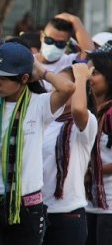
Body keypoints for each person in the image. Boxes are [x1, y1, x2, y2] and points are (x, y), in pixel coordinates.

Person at [0, 42, 75, 245]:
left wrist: (41, 70)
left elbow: (68, 87)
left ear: (24, 79)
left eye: (3, 77)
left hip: (26, 208)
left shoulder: (39, 104)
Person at [41, 64, 97, 245]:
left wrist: (81, 77)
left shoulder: (83, 124)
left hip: (68, 215)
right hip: (37, 212)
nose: (58, 91)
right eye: (55, 87)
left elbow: (78, 110)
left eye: (65, 87)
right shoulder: (43, 120)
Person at [85, 48, 112, 245]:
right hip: (86, 204)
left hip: (109, 206)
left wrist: (93, 171)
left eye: (94, 73)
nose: (89, 78)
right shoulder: (86, 111)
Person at [35, 13, 94, 90]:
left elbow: (89, 52)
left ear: (68, 43)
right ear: (41, 36)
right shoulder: (29, 61)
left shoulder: (70, 62)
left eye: (60, 44)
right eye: (49, 40)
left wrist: (75, 20)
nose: (53, 46)